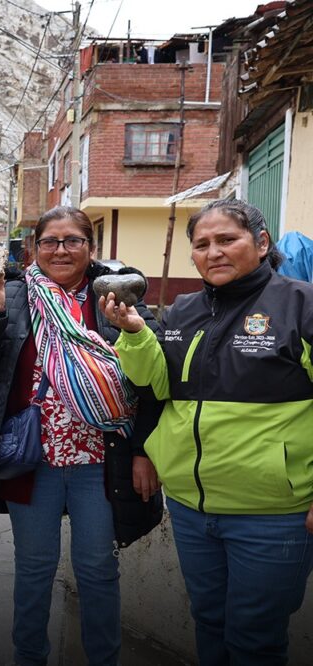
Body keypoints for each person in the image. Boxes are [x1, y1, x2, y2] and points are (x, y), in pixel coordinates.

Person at [103, 199, 313, 666]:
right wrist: (136, 334)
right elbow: (157, 385)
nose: (213, 252)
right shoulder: (182, 311)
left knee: (255, 639)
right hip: (193, 508)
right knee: (209, 622)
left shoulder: (302, 304)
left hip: (273, 515)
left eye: (227, 240)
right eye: (201, 245)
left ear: (261, 243)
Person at [0, 205, 162, 666]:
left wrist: (144, 451)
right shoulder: (11, 296)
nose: (61, 250)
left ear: (91, 249)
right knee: (33, 569)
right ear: (35, 248)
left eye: (73, 241)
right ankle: (30, 657)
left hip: (99, 459)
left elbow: (149, 382)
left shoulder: (117, 297)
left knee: (97, 569)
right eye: (50, 241)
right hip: (33, 458)